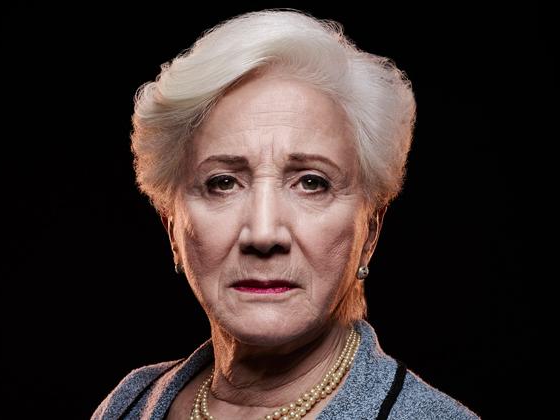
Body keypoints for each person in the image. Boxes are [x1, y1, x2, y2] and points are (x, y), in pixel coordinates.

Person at [92, 9, 480, 420]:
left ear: (370, 231)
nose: (263, 233)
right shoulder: (129, 403)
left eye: (311, 182)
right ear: (172, 226)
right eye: (223, 182)